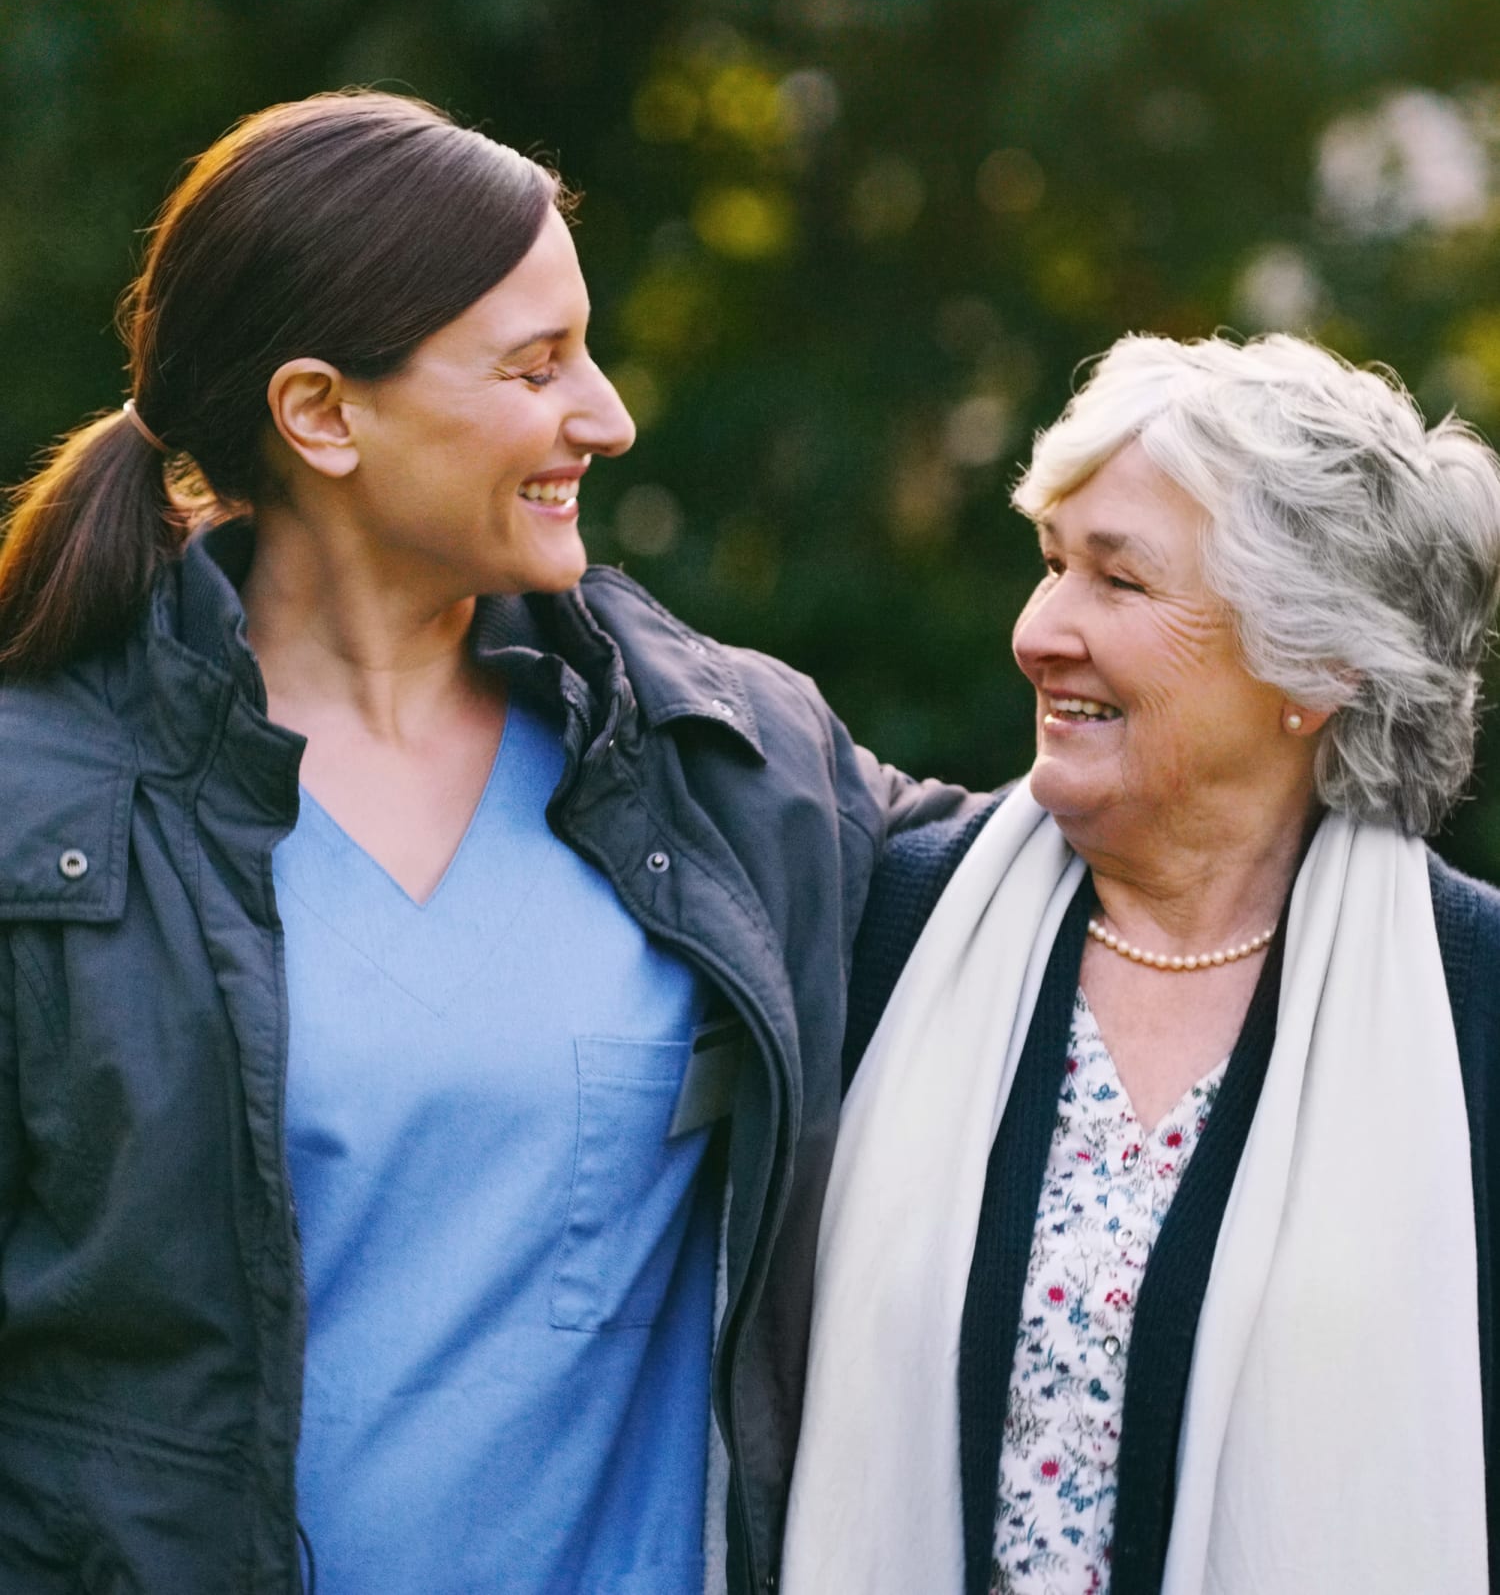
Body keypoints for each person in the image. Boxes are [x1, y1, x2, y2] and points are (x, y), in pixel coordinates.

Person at [0, 90, 970, 1595]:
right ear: (322, 412)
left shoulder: (729, 763)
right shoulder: (38, 817)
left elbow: (1086, 889)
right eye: (536, 366)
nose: (607, 413)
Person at [781, 333, 1500, 1595]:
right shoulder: (892, 916)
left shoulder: (1473, 1002)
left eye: (1119, 583)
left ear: (1316, 662)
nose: (1038, 630)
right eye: (1053, 564)